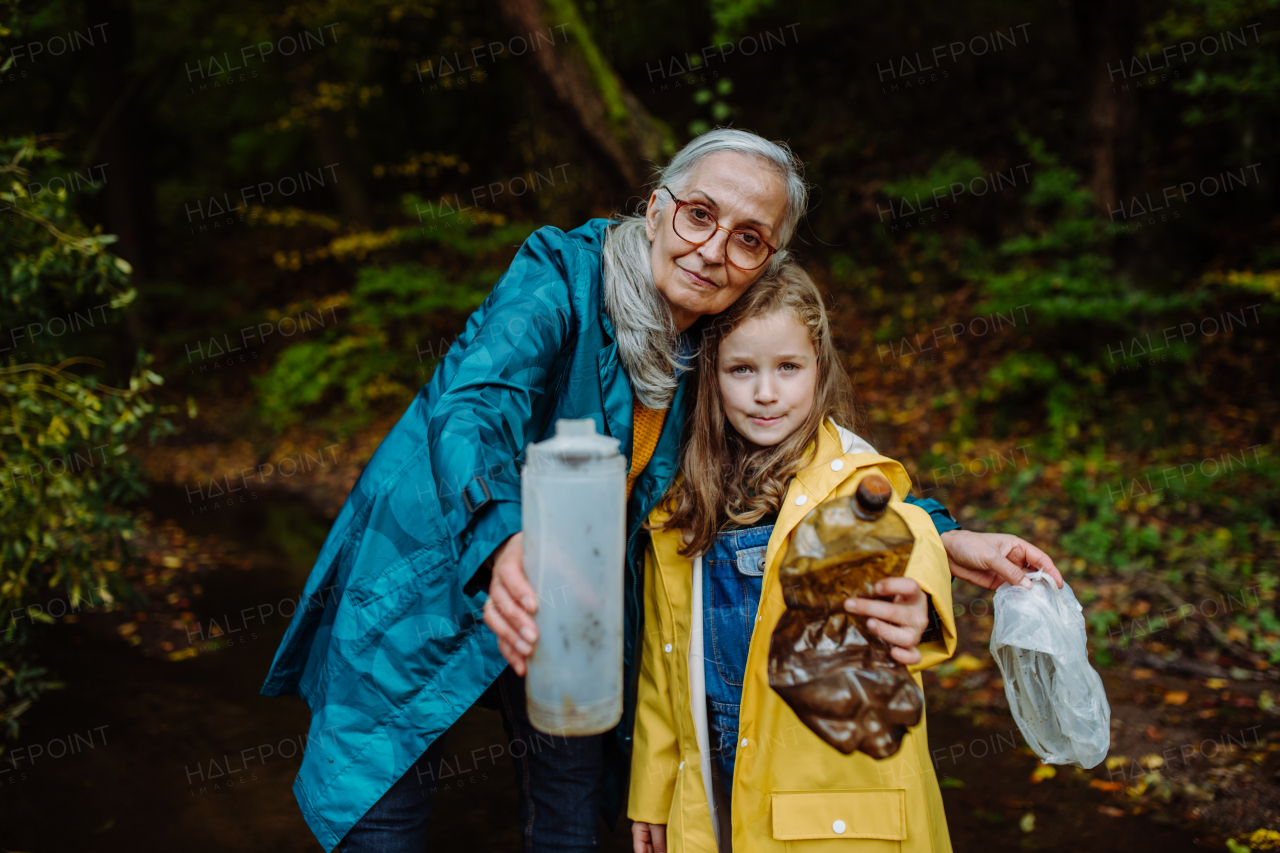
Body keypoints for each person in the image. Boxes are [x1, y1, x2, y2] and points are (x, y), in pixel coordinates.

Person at [260, 128, 1061, 852]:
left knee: (571, 818)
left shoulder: (720, 340)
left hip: (573, 607)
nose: (714, 249)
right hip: (429, 568)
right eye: (699, 215)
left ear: (768, 260)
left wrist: (940, 538)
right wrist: (506, 539)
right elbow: (475, 404)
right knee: (381, 814)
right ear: (654, 206)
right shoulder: (559, 275)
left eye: (748, 238)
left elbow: (815, 469)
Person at [629, 263, 955, 853]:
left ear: (818, 369)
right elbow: (665, 666)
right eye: (741, 369)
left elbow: (904, 528)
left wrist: (920, 597)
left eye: (788, 368)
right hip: (716, 792)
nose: (765, 392)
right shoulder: (682, 501)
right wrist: (654, 792)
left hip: (829, 811)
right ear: (711, 375)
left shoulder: (849, 478)